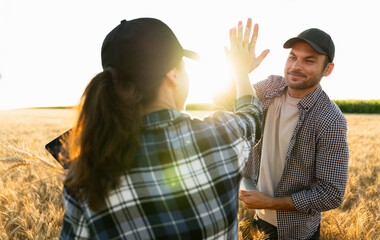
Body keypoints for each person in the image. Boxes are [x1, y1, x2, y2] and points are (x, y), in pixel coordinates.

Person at [59, 18, 266, 239]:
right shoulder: (221, 134)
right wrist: (241, 72)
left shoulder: (83, 177)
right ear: (173, 73)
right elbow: (252, 114)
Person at [237, 28, 349, 239]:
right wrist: (240, 72)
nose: (296, 66)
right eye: (292, 57)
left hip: (295, 231)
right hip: (258, 221)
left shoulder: (331, 120)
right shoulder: (271, 87)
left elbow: (332, 194)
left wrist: (270, 203)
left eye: (309, 60)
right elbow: (228, 104)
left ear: (328, 69)